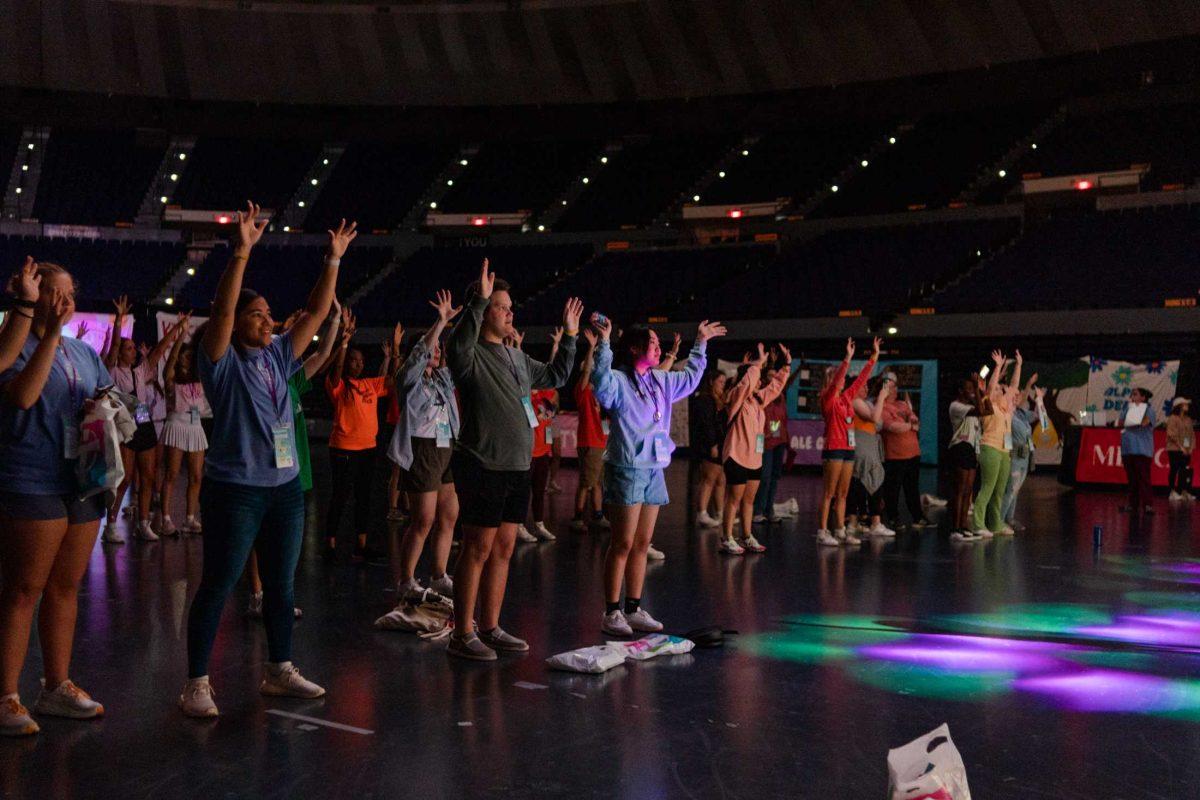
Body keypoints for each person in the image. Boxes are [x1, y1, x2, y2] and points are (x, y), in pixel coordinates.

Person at [178, 204, 353, 717]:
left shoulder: (278, 355)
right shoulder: (222, 361)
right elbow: (225, 312)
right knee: (219, 583)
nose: (268, 320)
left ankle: (279, 669)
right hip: (235, 490)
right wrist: (242, 252)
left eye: (269, 315)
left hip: (284, 489)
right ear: (235, 326)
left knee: (281, 584)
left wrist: (333, 261)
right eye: (258, 314)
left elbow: (317, 314)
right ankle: (195, 683)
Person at [444, 259, 580, 661]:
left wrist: (570, 337)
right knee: (478, 548)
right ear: (484, 311)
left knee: (503, 549)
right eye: (501, 307)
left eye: (509, 307)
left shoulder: (516, 358)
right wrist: (478, 301)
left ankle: (490, 626)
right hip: (482, 463)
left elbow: (556, 375)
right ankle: (462, 633)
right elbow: (456, 344)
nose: (509, 313)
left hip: (518, 466)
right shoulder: (468, 355)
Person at [0, 262, 109, 736]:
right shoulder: (13, 346)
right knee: (25, 589)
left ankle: (56, 685)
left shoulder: (85, 353)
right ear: (33, 295)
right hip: (30, 478)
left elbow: (109, 400)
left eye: (70, 293)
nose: (65, 302)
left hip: (81, 479)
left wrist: (103, 410)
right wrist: (49, 335)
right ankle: (6, 697)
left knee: (66, 587)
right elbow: (23, 397)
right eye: (54, 293)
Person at [592, 318, 725, 635]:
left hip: (654, 467)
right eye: (652, 343)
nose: (659, 348)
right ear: (635, 348)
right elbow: (601, 385)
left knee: (642, 542)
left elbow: (692, 378)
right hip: (627, 468)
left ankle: (633, 608)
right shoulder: (619, 381)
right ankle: (611, 612)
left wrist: (701, 343)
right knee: (622, 542)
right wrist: (604, 344)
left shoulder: (660, 381)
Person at [246, 303, 342, 620]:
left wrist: (336, 322)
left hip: (292, 466)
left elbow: (321, 356)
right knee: (261, 535)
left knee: (283, 538)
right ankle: (257, 594)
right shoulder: (258, 377)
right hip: (263, 467)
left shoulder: (293, 379)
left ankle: (278, 595)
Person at [389, 290, 460, 596]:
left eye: (438, 348)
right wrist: (439, 324)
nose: (437, 351)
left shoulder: (441, 379)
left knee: (448, 515)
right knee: (423, 519)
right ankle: (406, 580)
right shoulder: (409, 378)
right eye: (433, 347)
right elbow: (419, 355)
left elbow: (457, 358)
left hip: (446, 446)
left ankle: (438, 574)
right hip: (423, 447)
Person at [104, 303, 188, 542]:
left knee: (149, 476)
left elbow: (160, 350)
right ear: (121, 353)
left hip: (144, 421)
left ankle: (143, 523)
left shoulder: (140, 371)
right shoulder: (113, 371)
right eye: (128, 348)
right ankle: (110, 525)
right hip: (125, 424)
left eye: (132, 348)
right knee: (126, 478)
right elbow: (112, 350)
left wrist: (178, 328)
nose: (132, 351)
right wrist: (119, 320)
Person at [322, 313, 397, 563]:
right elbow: (337, 369)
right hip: (343, 448)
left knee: (364, 497)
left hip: (368, 449)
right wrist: (343, 345)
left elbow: (388, 379)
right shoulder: (339, 386)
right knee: (340, 496)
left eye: (360, 361)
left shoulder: (369, 385)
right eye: (353, 360)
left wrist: (392, 353)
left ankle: (361, 545)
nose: (357, 364)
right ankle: (330, 544)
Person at [718, 343, 790, 555]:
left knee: (749, 500)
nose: (760, 382)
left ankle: (746, 535)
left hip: (754, 458)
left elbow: (776, 386)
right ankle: (726, 537)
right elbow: (748, 382)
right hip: (736, 456)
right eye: (757, 378)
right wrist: (757, 363)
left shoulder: (758, 401)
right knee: (734, 500)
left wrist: (786, 364)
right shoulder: (735, 399)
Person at [816, 337, 880, 546]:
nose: (843, 381)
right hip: (833, 449)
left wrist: (873, 357)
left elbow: (860, 381)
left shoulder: (846, 399)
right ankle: (823, 531)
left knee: (843, 493)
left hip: (848, 449)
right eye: (840, 379)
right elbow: (837, 382)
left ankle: (840, 530)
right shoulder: (828, 399)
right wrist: (848, 358)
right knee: (830, 493)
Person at [159, 313, 207, 535]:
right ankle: (166, 518)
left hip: (195, 427)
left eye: (190, 356)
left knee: (197, 475)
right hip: (176, 425)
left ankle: (190, 517)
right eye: (184, 356)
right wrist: (181, 335)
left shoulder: (198, 379)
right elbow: (169, 364)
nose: (187, 359)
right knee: (172, 473)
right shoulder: (171, 379)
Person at [972, 349, 1022, 537]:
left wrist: (1019, 365)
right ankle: (978, 524)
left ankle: (995, 524)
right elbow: (991, 387)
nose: (1004, 392)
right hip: (990, 448)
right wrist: (998, 366)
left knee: (999, 491)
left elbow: (1015, 386)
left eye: (1004, 391)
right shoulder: (988, 406)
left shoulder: (1006, 410)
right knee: (987, 488)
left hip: (1004, 451)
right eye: (1001, 391)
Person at [752, 350, 801, 524]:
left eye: (776, 376)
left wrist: (787, 442)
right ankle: (757, 511)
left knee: (774, 477)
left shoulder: (780, 396)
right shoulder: (763, 395)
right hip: (765, 443)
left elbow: (787, 381)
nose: (774, 379)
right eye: (771, 376)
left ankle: (769, 509)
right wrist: (766, 363)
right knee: (764, 478)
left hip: (779, 441)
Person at [570, 329, 610, 532]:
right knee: (587, 482)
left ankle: (597, 515)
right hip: (590, 442)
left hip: (599, 443)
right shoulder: (582, 391)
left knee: (596, 483)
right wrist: (592, 348)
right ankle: (577, 518)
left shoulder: (598, 394)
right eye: (591, 369)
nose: (593, 370)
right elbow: (586, 372)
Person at [880, 376, 932, 530]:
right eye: (892, 388)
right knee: (893, 489)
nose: (896, 390)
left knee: (912, 488)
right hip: (895, 456)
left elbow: (915, 420)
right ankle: (893, 518)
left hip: (913, 453)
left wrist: (910, 423)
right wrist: (910, 425)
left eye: (896, 387)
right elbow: (894, 427)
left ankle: (918, 517)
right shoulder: (882, 408)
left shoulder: (902, 404)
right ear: (884, 391)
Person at [846, 375, 893, 537]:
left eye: (867, 386)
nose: (866, 389)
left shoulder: (865, 403)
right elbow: (875, 418)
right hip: (861, 444)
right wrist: (881, 397)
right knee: (861, 481)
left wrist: (878, 403)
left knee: (865, 481)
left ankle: (857, 521)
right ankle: (873, 522)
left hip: (869, 444)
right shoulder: (854, 401)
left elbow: (879, 423)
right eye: (862, 386)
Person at [946, 375, 987, 541]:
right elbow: (981, 410)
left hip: (971, 448)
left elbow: (988, 410)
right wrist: (977, 390)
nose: (971, 392)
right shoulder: (956, 406)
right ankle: (955, 528)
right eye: (969, 389)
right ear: (960, 391)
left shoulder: (971, 404)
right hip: (960, 447)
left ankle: (963, 526)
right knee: (960, 490)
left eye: (972, 388)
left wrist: (983, 392)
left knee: (968, 490)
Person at [1001, 376, 1040, 530]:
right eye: (1014, 395)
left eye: (1018, 395)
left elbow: (1037, 416)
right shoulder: (1007, 413)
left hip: (1024, 456)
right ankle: (1000, 520)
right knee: (1010, 490)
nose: (1017, 397)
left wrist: (1039, 401)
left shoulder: (1021, 414)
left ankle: (1009, 519)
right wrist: (1028, 384)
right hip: (1014, 456)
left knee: (1015, 490)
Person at [690, 371, 727, 528]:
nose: (723, 385)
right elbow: (707, 425)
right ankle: (702, 513)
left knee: (721, 480)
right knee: (709, 478)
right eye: (720, 382)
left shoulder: (719, 400)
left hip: (720, 443)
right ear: (711, 382)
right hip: (709, 445)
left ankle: (720, 513)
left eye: (724, 382)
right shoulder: (705, 400)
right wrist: (712, 444)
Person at [525, 384, 559, 542]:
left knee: (539, 491)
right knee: (524, 492)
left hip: (543, 451)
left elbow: (554, 395)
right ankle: (519, 525)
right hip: (528, 452)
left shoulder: (544, 395)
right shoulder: (525, 397)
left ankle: (539, 524)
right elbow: (532, 419)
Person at [1117, 386, 1156, 516]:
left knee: (1143, 479)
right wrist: (1129, 421)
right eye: (1132, 394)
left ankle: (1148, 505)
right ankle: (1133, 505)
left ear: (1143, 397)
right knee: (1132, 479)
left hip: (1142, 449)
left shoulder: (1149, 410)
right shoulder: (1127, 408)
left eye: (1135, 394)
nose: (1132, 397)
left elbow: (1144, 423)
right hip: (1128, 448)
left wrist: (1130, 421)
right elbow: (1120, 422)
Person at [1166, 397, 1194, 502]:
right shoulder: (1173, 418)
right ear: (1179, 406)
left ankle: (1184, 491)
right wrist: (1180, 446)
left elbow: (1190, 434)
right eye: (1185, 404)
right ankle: (1172, 492)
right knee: (1174, 469)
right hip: (1174, 449)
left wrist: (1189, 447)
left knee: (1184, 470)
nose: (1187, 406)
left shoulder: (1188, 419)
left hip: (1185, 450)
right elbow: (1171, 434)